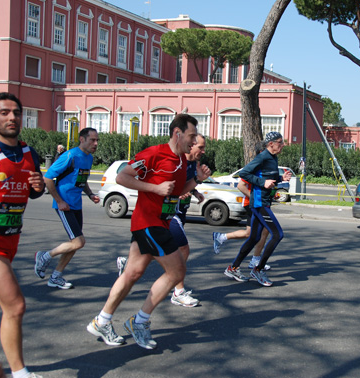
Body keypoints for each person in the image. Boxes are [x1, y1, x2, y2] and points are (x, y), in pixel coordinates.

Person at [87, 114, 204, 350]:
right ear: (177, 133)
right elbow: (123, 176)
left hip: (159, 222)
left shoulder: (181, 161)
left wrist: (197, 180)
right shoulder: (154, 153)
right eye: (191, 136)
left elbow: (176, 191)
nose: (193, 142)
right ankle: (139, 321)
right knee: (177, 269)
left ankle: (102, 320)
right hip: (148, 221)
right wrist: (155, 187)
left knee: (132, 274)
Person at [0, 92, 45, 378]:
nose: (12, 117)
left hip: (9, 240)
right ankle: (20, 373)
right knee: (15, 305)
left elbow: (32, 190)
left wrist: (38, 186)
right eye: (4, 112)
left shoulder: (30, 153)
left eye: (16, 112)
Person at [116, 134, 210, 308]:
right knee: (182, 250)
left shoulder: (188, 163)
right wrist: (162, 190)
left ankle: (104, 319)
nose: (203, 151)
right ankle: (178, 292)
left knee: (137, 267)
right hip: (160, 215)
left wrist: (195, 188)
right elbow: (124, 177)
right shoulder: (168, 157)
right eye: (200, 147)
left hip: (176, 212)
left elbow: (182, 186)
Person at [34, 128, 100, 289]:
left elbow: (81, 179)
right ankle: (45, 256)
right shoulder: (70, 156)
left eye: (97, 140)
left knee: (75, 243)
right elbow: (48, 177)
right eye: (92, 140)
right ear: (82, 139)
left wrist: (90, 194)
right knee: (78, 241)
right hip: (65, 205)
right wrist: (59, 201)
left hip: (76, 204)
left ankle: (56, 276)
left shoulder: (88, 158)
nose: (96, 144)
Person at [224, 132, 291, 287]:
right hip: (259, 203)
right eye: (280, 142)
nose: (282, 145)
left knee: (254, 238)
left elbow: (269, 177)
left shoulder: (273, 158)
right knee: (277, 234)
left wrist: (281, 179)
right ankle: (258, 269)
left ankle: (233, 267)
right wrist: (262, 182)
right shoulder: (263, 156)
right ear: (271, 144)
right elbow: (244, 173)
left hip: (264, 202)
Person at [213, 141, 271, 271]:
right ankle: (253, 261)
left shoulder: (265, 166)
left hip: (258, 203)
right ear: (263, 152)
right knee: (264, 230)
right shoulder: (256, 166)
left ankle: (221, 237)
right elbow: (241, 185)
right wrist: (255, 197)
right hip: (252, 204)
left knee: (249, 233)